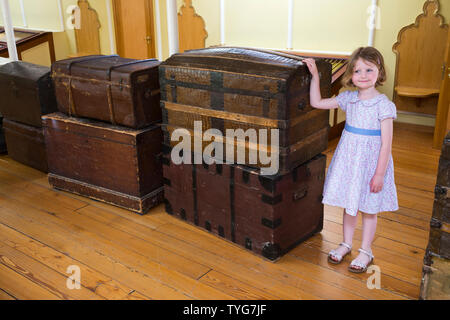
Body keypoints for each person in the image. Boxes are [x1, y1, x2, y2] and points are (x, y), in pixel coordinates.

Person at [303, 47, 398, 273]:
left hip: (371, 165)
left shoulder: (383, 105)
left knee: (369, 208)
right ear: (351, 75)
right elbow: (317, 102)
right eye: (357, 71)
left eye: (369, 69)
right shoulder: (348, 99)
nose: (363, 75)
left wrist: (379, 174)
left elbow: (386, 144)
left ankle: (366, 251)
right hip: (350, 163)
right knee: (350, 205)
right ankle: (346, 243)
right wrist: (315, 76)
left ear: (379, 72)